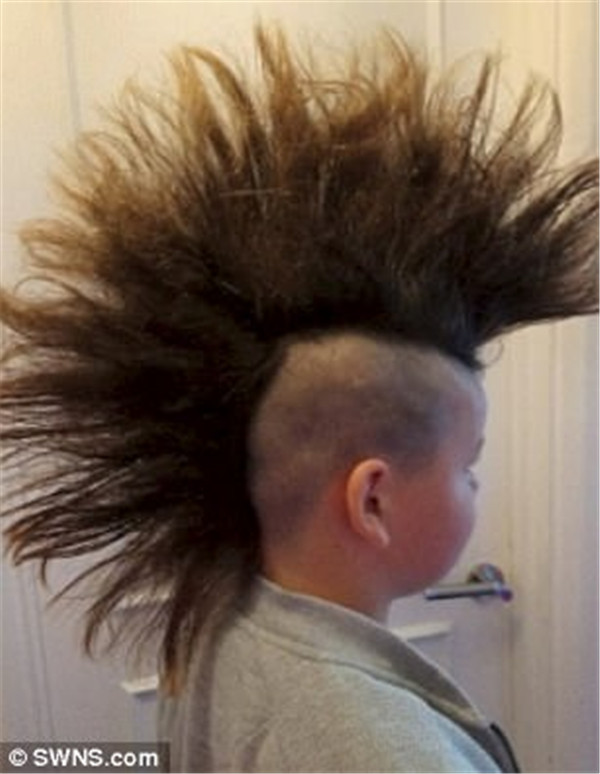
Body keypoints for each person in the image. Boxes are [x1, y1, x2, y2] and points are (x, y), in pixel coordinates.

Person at [1, 27, 597, 773]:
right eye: (467, 468)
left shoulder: (229, 607)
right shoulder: (387, 756)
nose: (476, 490)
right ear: (372, 500)